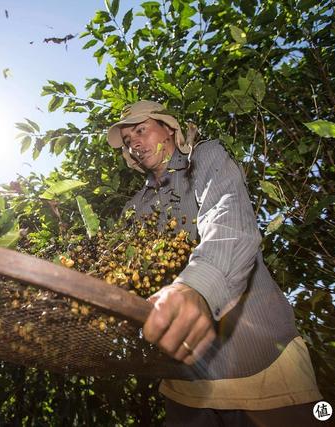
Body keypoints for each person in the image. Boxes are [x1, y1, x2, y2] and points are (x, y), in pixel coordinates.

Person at [107, 100, 323, 426]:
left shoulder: (205, 158)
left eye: (141, 130)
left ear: (168, 128)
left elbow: (229, 219)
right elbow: (132, 274)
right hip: (184, 385)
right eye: (127, 141)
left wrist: (197, 287)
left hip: (262, 368)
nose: (135, 143)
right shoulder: (136, 206)